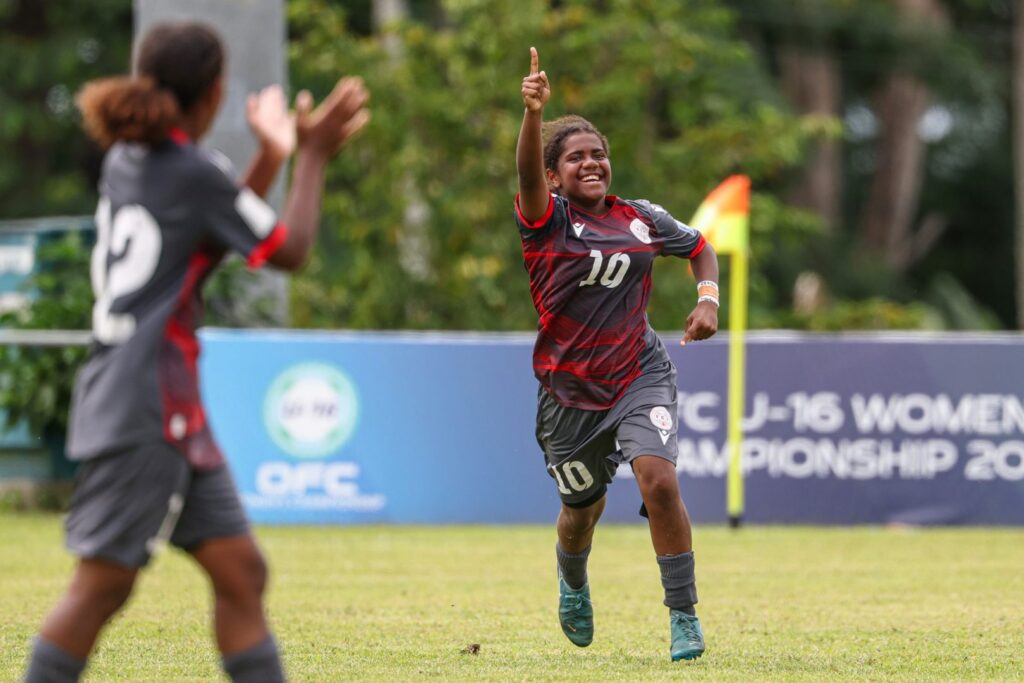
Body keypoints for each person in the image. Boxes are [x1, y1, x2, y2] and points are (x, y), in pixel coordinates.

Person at [23, 21, 369, 683]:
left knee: (242, 571)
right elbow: (286, 249)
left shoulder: (132, 158)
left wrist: (271, 155)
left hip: (154, 404)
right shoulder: (190, 170)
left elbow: (205, 233)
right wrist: (312, 152)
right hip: (146, 406)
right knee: (102, 586)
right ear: (211, 96)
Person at [514, 47, 719, 662]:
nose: (591, 163)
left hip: (639, 372)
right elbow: (524, 173)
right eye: (575, 157)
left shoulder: (641, 218)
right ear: (554, 176)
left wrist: (707, 299)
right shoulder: (546, 220)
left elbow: (702, 247)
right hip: (569, 393)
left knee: (658, 480)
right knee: (582, 511)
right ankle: (572, 578)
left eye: (598, 153)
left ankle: (683, 616)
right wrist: (532, 114)